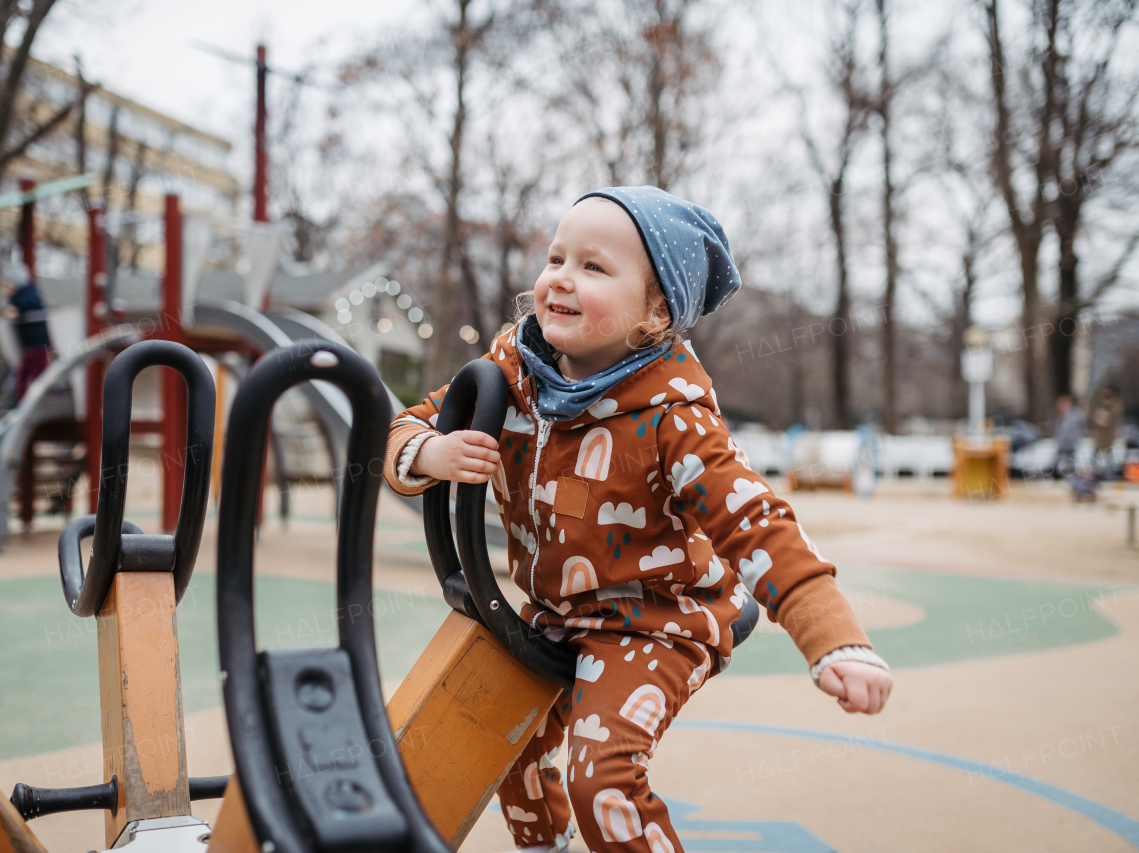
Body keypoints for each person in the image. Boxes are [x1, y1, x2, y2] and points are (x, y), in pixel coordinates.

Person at [382, 187, 892, 853]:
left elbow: (756, 521)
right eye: (557, 256)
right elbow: (406, 428)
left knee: (604, 780)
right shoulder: (514, 369)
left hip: (655, 618)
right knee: (505, 740)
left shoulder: (671, 417)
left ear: (655, 313)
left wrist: (834, 637)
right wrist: (432, 450)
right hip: (556, 608)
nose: (562, 276)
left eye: (594, 268)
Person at [1, 265, 52, 401]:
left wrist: (18, 310)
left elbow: (32, 304)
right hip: (30, 344)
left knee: (34, 372)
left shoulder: (27, 294)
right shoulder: (19, 296)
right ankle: (26, 399)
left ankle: (33, 400)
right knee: (26, 372)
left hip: (37, 343)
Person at [1090, 386, 1123, 480]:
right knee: (1094, 458)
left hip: (1110, 438)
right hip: (1098, 437)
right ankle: (1093, 478)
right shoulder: (1099, 405)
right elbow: (1095, 418)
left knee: (1110, 460)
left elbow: (1107, 420)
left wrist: (1102, 416)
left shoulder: (1116, 406)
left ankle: (1109, 478)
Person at [1052, 394, 1084, 478]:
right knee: (1061, 468)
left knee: (1070, 467)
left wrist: (1073, 441)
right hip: (1061, 447)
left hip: (1070, 446)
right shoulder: (1059, 416)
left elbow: (1078, 430)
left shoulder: (1074, 416)